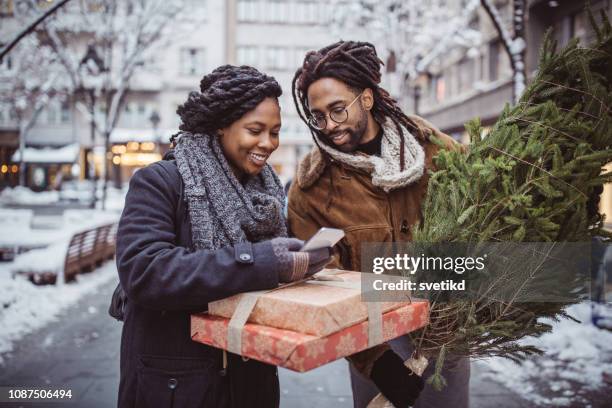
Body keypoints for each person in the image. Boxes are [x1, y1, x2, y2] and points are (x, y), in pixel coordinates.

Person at [115, 65, 331, 408]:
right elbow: (144, 271)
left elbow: (268, 273)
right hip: (178, 388)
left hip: (250, 384)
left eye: (275, 132)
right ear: (220, 126)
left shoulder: (265, 194)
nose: (268, 144)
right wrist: (263, 261)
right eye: (255, 130)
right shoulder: (161, 182)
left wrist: (300, 263)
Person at [288, 41, 469, 408]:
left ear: (366, 99)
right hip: (373, 340)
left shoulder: (437, 152)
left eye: (338, 110)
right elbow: (320, 284)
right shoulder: (312, 189)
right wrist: (375, 360)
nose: (329, 125)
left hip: (446, 336)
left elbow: (482, 225)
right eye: (317, 116)